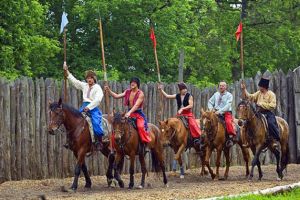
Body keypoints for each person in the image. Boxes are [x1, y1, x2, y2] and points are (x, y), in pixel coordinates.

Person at [63, 62, 104, 150]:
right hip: (83, 107)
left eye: (91, 78)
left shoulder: (97, 87)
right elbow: (75, 82)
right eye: (88, 78)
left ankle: (98, 141)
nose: (89, 80)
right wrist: (67, 72)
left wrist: (89, 107)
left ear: (94, 79)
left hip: (93, 108)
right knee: (74, 121)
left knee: (96, 123)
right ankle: (70, 141)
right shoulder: (84, 86)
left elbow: (98, 99)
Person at [105, 77, 151, 154]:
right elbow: (116, 96)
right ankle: (113, 146)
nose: (132, 84)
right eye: (131, 82)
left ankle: (145, 144)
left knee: (140, 126)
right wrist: (109, 90)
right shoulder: (127, 91)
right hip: (129, 113)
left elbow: (136, 105)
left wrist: (129, 113)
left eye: (134, 82)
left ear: (137, 84)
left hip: (138, 114)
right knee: (118, 126)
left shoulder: (141, 94)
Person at [241, 77, 280, 144]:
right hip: (258, 112)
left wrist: (261, 104)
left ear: (264, 87)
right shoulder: (259, 93)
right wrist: (244, 89)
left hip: (267, 113)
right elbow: (250, 97)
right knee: (247, 123)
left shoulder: (271, 94)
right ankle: (247, 141)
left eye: (260, 86)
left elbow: (273, 105)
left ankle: (273, 139)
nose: (259, 88)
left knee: (271, 123)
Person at [208, 81, 235, 147]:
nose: (221, 87)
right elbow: (210, 102)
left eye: (223, 86)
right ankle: (206, 138)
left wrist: (220, 111)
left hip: (226, 113)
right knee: (208, 121)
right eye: (220, 86)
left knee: (228, 122)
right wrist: (211, 109)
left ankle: (230, 138)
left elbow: (228, 105)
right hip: (215, 113)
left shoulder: (229, 95)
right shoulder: (216, 94)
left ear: (226, 87)